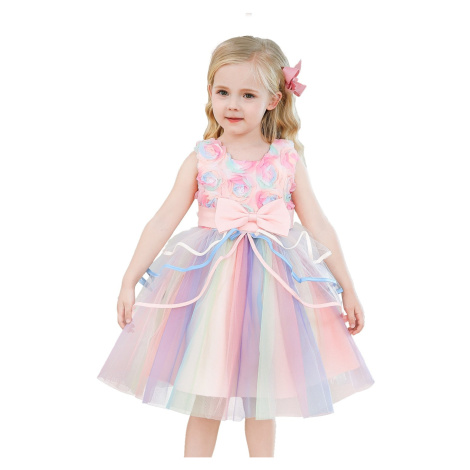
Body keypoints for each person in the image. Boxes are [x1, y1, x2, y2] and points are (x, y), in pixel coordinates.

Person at [97, 35, 375, 458]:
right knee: (204, 394)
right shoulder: (203, 157)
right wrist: (129, 278)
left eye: (248, 95)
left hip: (274, 292)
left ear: (272, 99)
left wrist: (348, 287)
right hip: (210, 289)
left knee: (263, 400)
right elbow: (162, 220)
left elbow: (318, 224)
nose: (232, 104)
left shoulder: (286, 159)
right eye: (223, 91)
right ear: (209, 92)